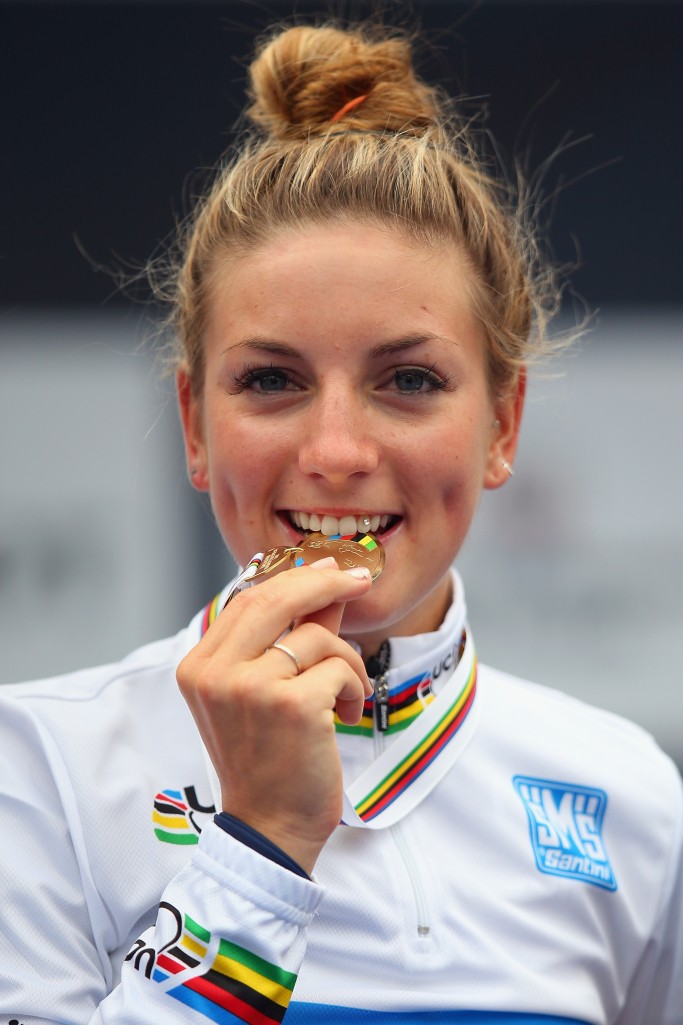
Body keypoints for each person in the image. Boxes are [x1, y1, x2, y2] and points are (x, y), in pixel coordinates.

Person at [1, 19, 681, 1025]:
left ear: (501, 425)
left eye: (407, 380)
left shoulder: (627, 796)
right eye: (270, 380)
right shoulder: (37, 766)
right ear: (194, 425)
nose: (335, 450)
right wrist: (262, 843)